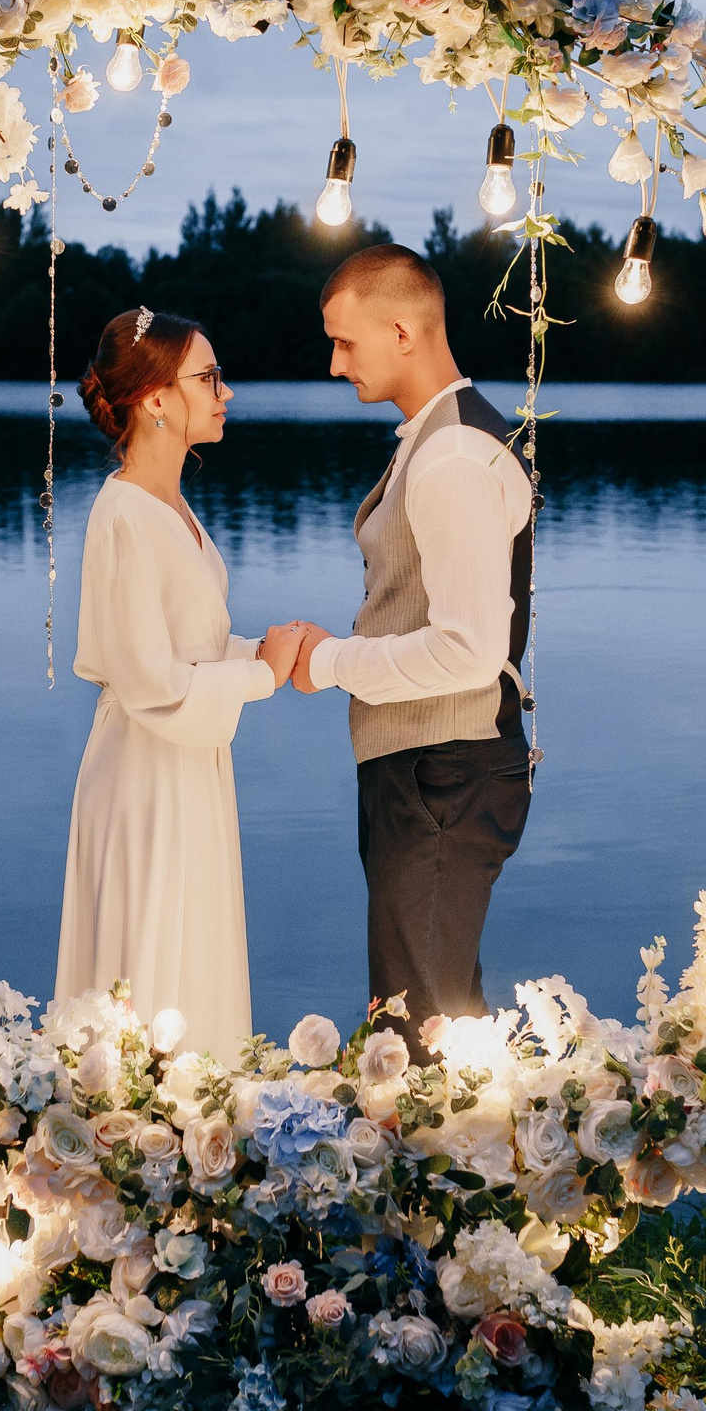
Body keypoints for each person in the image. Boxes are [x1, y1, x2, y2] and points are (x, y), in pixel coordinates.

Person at [287, 245, 536, 1061]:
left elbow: (469, 651)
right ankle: (462, 1178)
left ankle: (447, 1185)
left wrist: (329, 664)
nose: (333, 363)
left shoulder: (455, 456)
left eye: (344, 342)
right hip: (432, 770)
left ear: (401, 330)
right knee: (434, 1014)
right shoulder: (436, 440)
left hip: (445, 773)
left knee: (419, 1030)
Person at [55, 306, 307, 1060]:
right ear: (157, 398)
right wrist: (261, 674)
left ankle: (196, 1137)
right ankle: (138, 1145)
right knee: (150, 955)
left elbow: (184, 644)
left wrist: (258, 648)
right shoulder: (124, 512)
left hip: (184, 762)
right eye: (208, 377)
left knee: (192, 946)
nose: (224, 392)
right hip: (146, 769)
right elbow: (152, 682)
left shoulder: (171, 505)